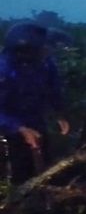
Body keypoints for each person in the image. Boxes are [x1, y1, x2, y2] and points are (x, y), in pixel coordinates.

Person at [0, 23, 70, 183]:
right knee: (18, 170)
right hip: (7, 127)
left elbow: (54, 88)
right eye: (43, 48)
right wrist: (19, 128)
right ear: (26, 51)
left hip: (35, 119)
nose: (48, 50)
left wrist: (59, 112)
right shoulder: (4, 70)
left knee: (44, 161)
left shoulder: (45, 63)